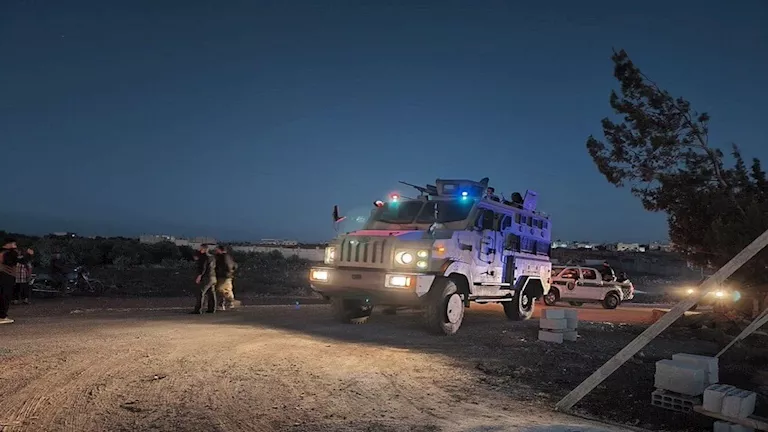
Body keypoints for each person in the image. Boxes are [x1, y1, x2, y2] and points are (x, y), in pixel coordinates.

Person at [192, 244, 217, 314]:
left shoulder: (204, 257)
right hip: (213, 276)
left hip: (207, 277)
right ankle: (212, 308)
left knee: (201, 292)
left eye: (201, 248)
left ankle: (198, 309)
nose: (199, 249)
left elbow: (203, 268)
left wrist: (199, 276)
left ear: (204, 249)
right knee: (211, 293)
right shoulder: (212, 257)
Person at [214, 245, 240, 311]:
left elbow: (227, 266)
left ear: (220, 250)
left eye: (217, 249)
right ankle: (225, 304)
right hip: (227, 276)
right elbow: (234, 265)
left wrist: (223, 271)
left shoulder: (223, 257)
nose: (215, 251)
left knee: (222, 289)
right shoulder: (228, 257)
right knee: (226, 290)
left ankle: (231, 302)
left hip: (223, 276)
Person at [0, 238, 20, 324]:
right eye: (14, 244)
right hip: (6, 275)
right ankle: (2, 316)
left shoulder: (4, 252)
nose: (15, 246)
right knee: (5, 296)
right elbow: (11, 262)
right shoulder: (8, 253)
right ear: (8, 244)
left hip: (4, 275)